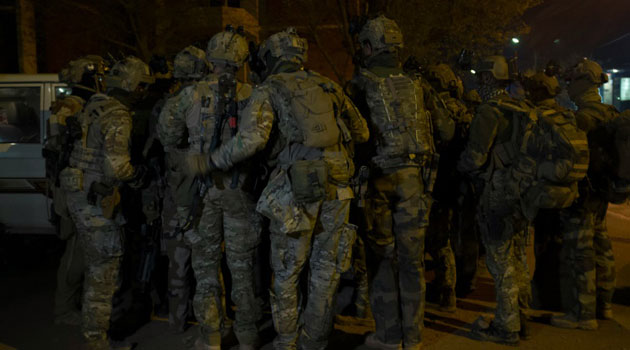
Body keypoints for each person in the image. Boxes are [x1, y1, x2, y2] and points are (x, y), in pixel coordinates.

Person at [190, 27, 369, 350]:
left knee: (287, 272)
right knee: (325, 272)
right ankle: (315, 341)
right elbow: (362, 132)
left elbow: (250, 141)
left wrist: (210, 161)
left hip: (295, 189)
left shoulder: (269, 88)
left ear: (272, 57)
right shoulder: (328, 85)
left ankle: (286, 341)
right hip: (338, 187)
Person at [348, 15, 454, 350]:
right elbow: (447, 131)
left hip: (376, 181)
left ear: (368, 46)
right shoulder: (418, 85)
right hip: (414, 181)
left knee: (382, 257)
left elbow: (351, 135)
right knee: (412, 260)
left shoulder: (359, 84)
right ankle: (415, 337)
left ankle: (388, 336)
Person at [164, 27, 261, 350]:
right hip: (238, 193)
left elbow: (167, 135)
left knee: (205, 268)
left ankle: (211, 337)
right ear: (241, 60)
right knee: (242, 268)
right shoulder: (253, 94)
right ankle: (247, 337)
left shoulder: (189, 95)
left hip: (200, 193)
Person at [59, 56, 153, 350]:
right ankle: (97, 343)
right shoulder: (118, 115)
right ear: (130, 85)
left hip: (80, 191)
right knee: (104, 273)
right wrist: (140, 176)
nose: (142, 92)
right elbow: (117, 168)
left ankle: (96, 336)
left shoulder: (95, 103)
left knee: (96, 268)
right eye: (140, 86)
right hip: (95, 197)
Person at [457, 55, 532, 345]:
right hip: (522, 189)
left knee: (500, 261)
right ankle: (520, 316)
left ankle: (506, 326)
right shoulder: (522, 106)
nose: (478, 80)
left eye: (481, 76)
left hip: (497, 191)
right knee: (517, 257)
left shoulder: (490, 110)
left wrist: (460, 167)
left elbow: (475, 156)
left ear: (489, 78)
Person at [551, 59, 617, 330]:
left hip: (583, 193)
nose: (568, 87)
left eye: (572, 82)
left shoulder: (582, 118)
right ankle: (605, 305)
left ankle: (583, 314)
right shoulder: (611, 112)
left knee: (581, 251)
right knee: (602, 245)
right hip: (603, 192)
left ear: (584, 83)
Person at [45, 55, 107, 326]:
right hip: (73, 187)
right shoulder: (72, 106)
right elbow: (60, 149)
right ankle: (64, 310)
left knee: (82, 248)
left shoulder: (79, 104)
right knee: (76, 251)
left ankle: (73, 303)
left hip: (76, 184)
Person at [157, 45, 210, 334]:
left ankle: (178, 322)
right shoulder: (218, 99)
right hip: (207, 193)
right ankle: (211, 322)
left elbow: (163, 142)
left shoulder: (171, 103)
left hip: (177, 192)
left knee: (178, 263)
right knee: (208, 263)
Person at [424, 63, 474, 311]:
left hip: (437, 181)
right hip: (457, 182)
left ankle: (446, 292)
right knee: (448, 239)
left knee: (436, 240)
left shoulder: (434, 108)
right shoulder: (462, 109)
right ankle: (450, 289)